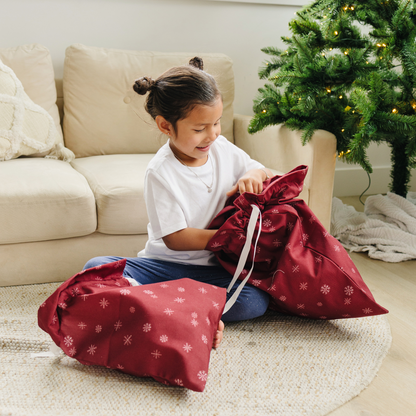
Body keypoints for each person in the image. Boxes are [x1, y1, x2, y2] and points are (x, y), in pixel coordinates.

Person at [83, 57, 273, 348]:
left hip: (213, 270)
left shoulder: (221, 147)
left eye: (217, 123)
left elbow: (258, 167)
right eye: (199, 129)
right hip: (163, 267)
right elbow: (175, 238)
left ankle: (166, 308)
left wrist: (252, 174)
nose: (212, 134)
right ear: (165, 126)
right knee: (96, 267)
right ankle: (189, 311)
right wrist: (231, 238)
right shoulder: (161, 172)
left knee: (254, 301)